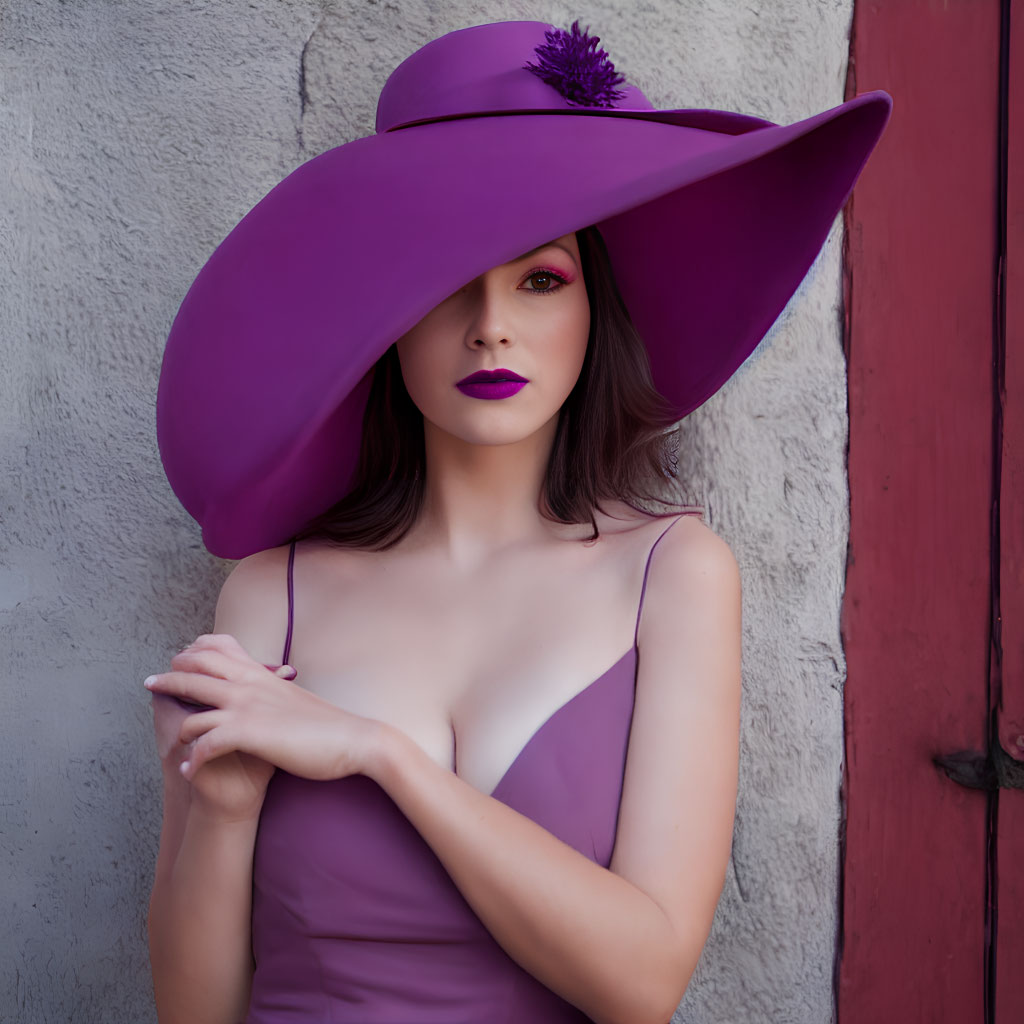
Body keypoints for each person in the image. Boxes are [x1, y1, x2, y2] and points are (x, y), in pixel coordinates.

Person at [144, 19, 891, 1024]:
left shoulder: (674, 572)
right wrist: (217, 809)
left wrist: (381, 755)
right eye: (446, 285)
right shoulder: (272, 588)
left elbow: (641, 983)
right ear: (384, 324)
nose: (490, 324)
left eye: (540, 280)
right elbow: (194, 1014)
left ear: (594, 314)